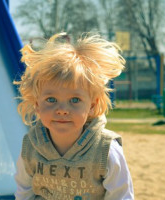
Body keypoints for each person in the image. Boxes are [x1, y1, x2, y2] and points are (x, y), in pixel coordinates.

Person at [14, 32, 134, 200]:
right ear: (37, 105)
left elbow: (121, 196)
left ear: (91, 106)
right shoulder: (31, 147)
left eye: (75, 100)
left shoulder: (105, 150)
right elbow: (24, 190)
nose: (62, 109)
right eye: (51, 99)